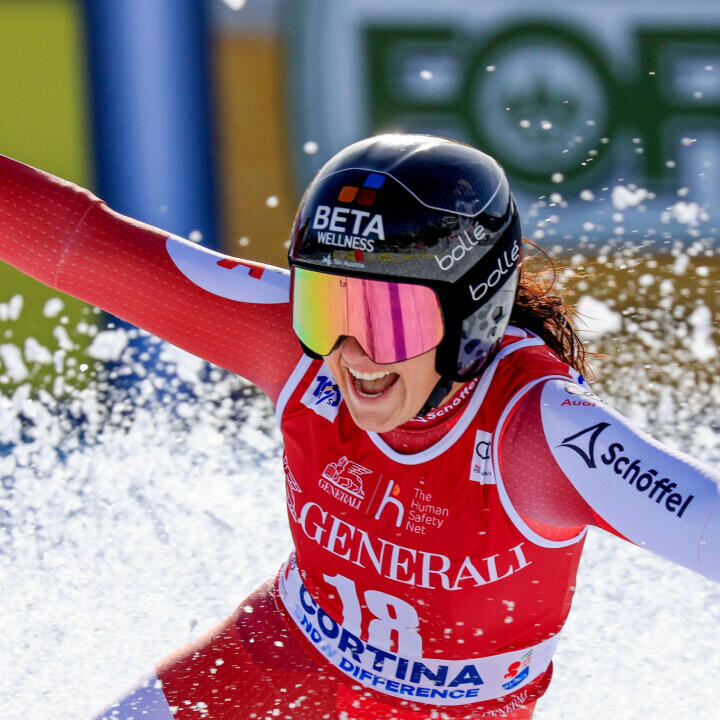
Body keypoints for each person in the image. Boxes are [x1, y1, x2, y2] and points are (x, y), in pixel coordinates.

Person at [0, 134, 718, 720]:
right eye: (326, 309)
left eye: (389, 319)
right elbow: (78, 241)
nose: (353, 355)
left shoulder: (543, 433)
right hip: (276, 656)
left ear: (475, 315)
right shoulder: (290, 347)